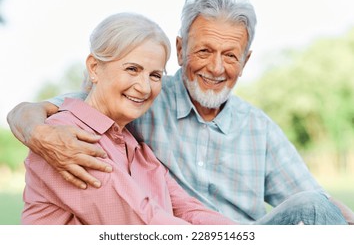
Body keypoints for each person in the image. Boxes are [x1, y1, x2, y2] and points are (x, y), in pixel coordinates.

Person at [8, 0, 353, 225]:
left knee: (315, 208)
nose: (216, 68)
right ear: (182, 49)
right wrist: (39, 134)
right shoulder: (77, 134)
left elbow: (185, 208)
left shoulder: (133, 142)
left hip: (219, 234)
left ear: (246, 61)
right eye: (204, 51)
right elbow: (145, 221)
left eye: (230, 56)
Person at [19, 12, 238, 225]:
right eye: (132, 69)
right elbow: (143, 223)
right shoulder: (63, 137)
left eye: (154, 75)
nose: (144, 88)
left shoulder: (138, 149)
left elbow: (188, 209)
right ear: (95, 68)